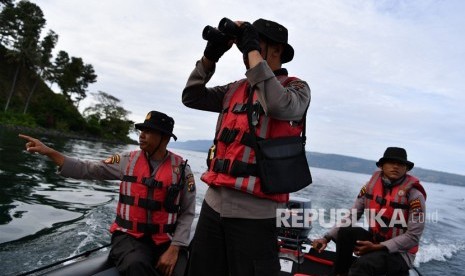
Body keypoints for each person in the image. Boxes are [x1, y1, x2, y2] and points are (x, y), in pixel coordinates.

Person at [182, 18, 311, 276]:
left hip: (256, 214)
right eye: (245, 42)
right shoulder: (234, 89)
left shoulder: (297, 89)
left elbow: (277, 105)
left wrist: (252, 50)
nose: (244, 48)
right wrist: (210, 57)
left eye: (254, 42)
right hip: (214, 205)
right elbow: (191, 96)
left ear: (276, 51)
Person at [19, 110, 196, 276]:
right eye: (142, 130)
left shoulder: (182, 170)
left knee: (183, 267)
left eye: (149, 131)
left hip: (164, 239)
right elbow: (87, 169)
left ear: (164, 138)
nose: (142, 135)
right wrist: (50, 152)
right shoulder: (126, 160)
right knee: (136, 264)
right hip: (128, 237)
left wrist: (175, 247)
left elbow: (187, 212)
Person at [313, 147, 427, 276]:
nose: (396, 166)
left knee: (365, 263)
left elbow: (413, 237)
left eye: (401, 164)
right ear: (382, 166)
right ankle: (340, 273)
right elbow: (352, 215)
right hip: (374, 241)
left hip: (400, 253)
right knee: (345, 232)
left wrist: (376, 247)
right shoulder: (369, 187)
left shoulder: (415, 196)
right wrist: (326, 238)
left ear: (406, 169)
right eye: (391, 162)